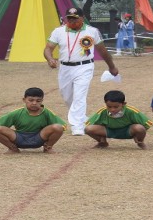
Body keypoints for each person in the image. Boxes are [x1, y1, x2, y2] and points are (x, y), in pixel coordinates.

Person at [44, 7, 119, 136]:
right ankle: (82, 118)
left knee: (79, 95)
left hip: (84, 67)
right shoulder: (58, 31)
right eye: (70, 19)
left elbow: (102, 50)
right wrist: (50, 59)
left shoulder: (92, 31)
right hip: (65, 68)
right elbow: (48, 49)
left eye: (75, 19)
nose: (72, 22)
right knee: (68, 97)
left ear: (82, 18)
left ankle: (77, 126)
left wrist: (111, 66)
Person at [0, 87, 66, 154]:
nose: (34, 103)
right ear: (24, 100)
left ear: (42, 101)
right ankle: (12, 148)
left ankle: (48, 148)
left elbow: (62, 126)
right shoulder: (17, 113)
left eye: (38, 101)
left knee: (58, 127)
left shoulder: (46, 112)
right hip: (19, 138)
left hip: (39, 137)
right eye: (31, 100)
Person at [86, 90, 153, 149]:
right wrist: (101, 136)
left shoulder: (131, 111)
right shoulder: (102, 111)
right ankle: (102, 142)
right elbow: (91, 123)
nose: (112, 109)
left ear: (123, 104)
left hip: (128, 132)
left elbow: (147, 124)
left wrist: (138, 135)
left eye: (116, 107)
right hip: (109, 131)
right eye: (109, 107)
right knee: (88, 129)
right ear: (105, 103)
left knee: (140, 128)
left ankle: (140, 142)